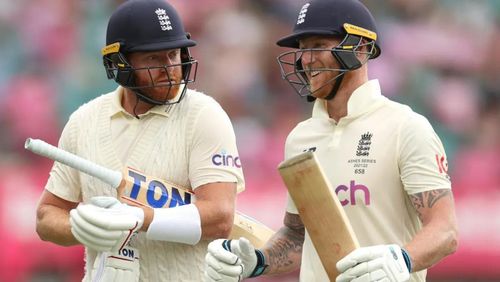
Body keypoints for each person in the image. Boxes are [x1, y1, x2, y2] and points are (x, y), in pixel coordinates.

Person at [204, 0, 458, 281]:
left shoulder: (406, 127)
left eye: (318, 45)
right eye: (302, 48)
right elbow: (299, 235)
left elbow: (445, 231)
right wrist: (259, 260)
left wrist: (402, 258)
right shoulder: (301, 137)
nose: (305, 59)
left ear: (360, 48)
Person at [35, 0, 244, 281]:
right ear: (119, 64)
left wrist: (135, 219)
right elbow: (47, 216)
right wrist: (81, 227)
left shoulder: (203, 115)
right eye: (153, 59)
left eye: (173, 54)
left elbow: (220, 217)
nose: (170, 68)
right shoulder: (84, 121)